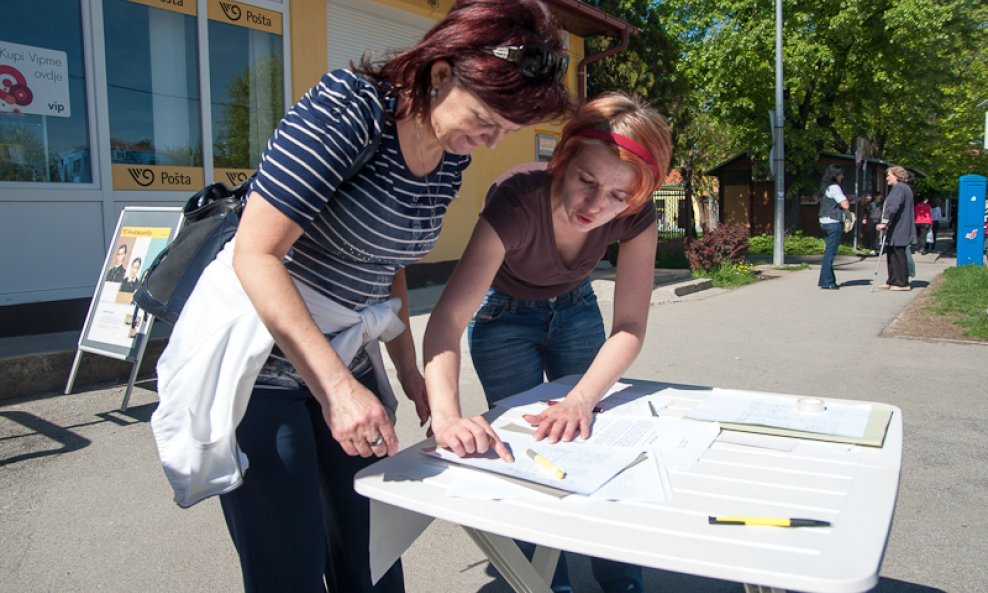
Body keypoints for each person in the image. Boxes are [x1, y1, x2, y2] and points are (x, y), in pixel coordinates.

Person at [221, 2, 573, 592]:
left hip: (350, 360)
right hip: (268, 371)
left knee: (373, 556)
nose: (488, 143)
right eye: (487, 119)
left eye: (505, 133)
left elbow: (390, 269)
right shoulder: (349, 108)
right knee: (290, 565)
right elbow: (254, 254)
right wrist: (336, 389)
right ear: (440, 73)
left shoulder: (448, 156)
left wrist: (412, 377)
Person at [422, 92, 672, 593]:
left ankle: (622, 582)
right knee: (524, 453)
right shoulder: (517, 200)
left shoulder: (635, 211)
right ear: (562, 159)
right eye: (586, 181)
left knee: (592, 440)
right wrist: (447, 417)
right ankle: (546, 583)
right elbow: (447, 318)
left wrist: (582, 398)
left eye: (619, 196)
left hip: (576, 309)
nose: (597, 206)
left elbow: (630, 325)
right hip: (504, 317)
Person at [876, 166, 915, 290]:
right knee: (892, 252)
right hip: (898, 226)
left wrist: (885, 222)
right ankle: (892, 280)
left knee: (898, 253)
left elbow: (893, 206)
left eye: (889, 175)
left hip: (899, 226)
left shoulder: (898, 188)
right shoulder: (904, 188)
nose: (887, 178)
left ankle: (902, 282)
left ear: (897, 176)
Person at [816, 164, 851, 290]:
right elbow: (845, 204)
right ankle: (827, 281)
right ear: (836, 175)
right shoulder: (835, 187)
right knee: (830, 253)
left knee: (828, 251)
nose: (842, 176)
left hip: (824, 221)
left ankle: (829, 280)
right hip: (833, 222)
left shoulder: (824, 187)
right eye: (841, 174)